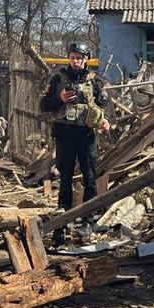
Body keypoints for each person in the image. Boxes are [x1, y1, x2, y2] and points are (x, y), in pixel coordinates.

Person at [40, 41, 109, 211]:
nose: (75, 61)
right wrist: (60, 99)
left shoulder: (95, 81)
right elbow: (44, 105)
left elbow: (103, 105)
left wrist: (104, 120)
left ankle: (88, 217)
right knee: (65, 177)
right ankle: (65, 215)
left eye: (79, 58)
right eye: (72, 58)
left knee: (90, 176)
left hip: (86, 136)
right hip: (64, 136)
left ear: (86, 59)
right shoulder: (58, 79)